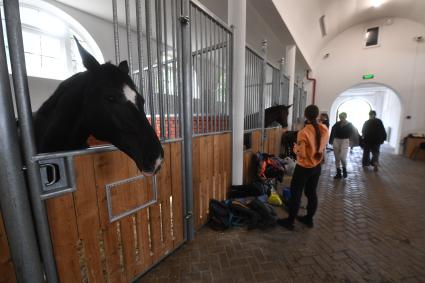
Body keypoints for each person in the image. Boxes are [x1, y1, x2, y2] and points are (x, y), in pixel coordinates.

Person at [277, 105, 329, 230]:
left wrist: (295, 148)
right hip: (317, 167)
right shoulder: (324, 128)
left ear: (305, 115)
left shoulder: (304, 132)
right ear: (317, 115)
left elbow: (302, 154)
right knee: (311, 193)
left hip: (304, 168)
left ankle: (290, 221)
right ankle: (309, 219)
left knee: (296, 193)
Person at [329, 112, 355, 179]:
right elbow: (332, 132)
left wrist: (352, 143)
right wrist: (331, 141)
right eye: (340, 117)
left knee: (342, 157)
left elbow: (353, 134)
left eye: (342, 117)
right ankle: (338, 173)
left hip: (345, 141)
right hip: (336, 141)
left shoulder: (350, 125)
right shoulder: (337, 124)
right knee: (337, 158)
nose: (341, 118)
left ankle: (344, 169)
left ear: (345, 117)